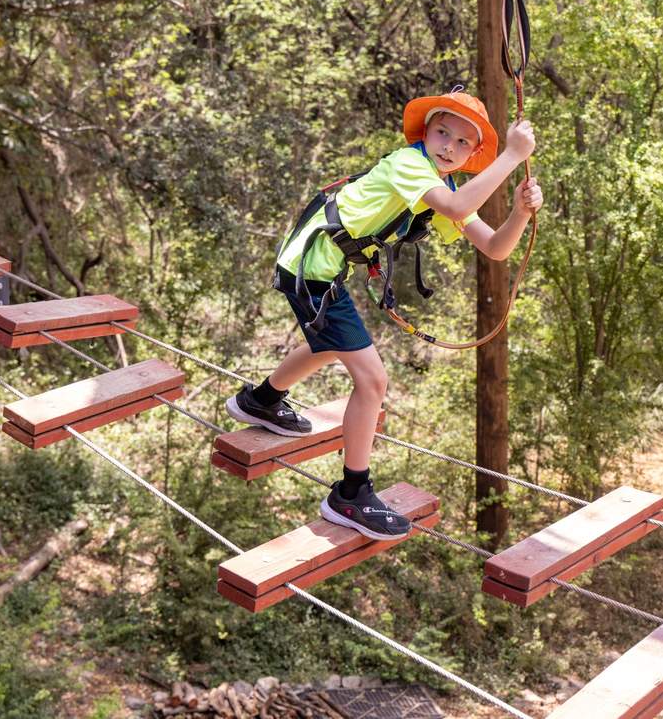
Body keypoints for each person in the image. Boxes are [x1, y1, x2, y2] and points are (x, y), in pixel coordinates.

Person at [225, 89, 544, 540]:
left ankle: (260, 400)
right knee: (373, 380)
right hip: (310, 267)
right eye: (443, 132)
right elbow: (456, 208)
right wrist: (512, 155)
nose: (449, 146)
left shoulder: (445, 185)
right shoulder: (409, 164)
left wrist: (519, 213)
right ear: (425, 132)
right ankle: (351, 493)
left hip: (319, 266)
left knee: (330, 346)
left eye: (462, 142)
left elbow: (495, 247)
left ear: (472, 154)